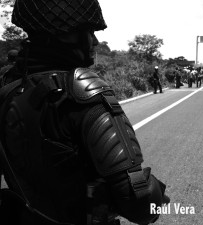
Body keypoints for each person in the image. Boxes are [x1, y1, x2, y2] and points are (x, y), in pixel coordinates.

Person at [0, 1, 169, 225]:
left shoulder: (7, 87)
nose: (95, 41)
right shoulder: (84, 91)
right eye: (89, 32)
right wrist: (159, 194)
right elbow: (139, 202)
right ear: (65, 36)